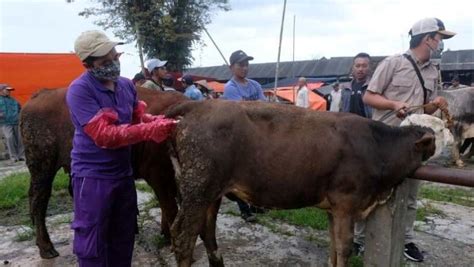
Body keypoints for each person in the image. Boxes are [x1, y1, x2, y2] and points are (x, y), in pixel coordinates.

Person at [67, 30, 177, 266]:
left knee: (123, 233)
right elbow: (104, 135)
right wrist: (148, 132)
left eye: (115, 57)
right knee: (92, 238)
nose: (113, 64)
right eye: (105, 62)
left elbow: (136, 118)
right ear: (88, 64)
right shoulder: (80, 90)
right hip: (93, 176)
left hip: (122, 173)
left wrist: (154, 121)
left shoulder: (126, 85)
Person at [361, 18, 454, 262]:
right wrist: (393, 104)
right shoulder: (393, 63)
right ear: (427, 39)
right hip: (385, 143)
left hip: (413, 146)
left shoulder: (434, 71)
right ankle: (360, 239)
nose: (441, 44)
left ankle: (405, 238)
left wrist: (436, 105)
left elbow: (427, 112)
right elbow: (369, 97)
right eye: (439, 38)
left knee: (411, 194)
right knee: (373, 190)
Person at [223, 50, 266, 222]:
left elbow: (264, 107)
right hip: (240, 135)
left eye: (247, 64)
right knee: (240, 174)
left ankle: (256, 204)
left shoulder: (255, 85)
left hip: (259, 134)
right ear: (231, 67)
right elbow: (242, 111)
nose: (245, 68)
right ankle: (244, 209)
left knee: (257, 171)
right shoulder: (230, 87)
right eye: (240, 64)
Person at [341, 53, 373, 118]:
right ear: (353, 67)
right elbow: (341, 109)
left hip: (368, 125)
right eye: (357, 66)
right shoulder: (346, 88)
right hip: (348, 125)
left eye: (364, 66)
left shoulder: (373, 87)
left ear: (369, 67)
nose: (360, 69)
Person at [0, 84, 24, 162]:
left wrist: (20, 116)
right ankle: (13, 156)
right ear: (1, 91)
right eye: (7, 90)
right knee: (9, 138)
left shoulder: (14, 100)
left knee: (19, 139)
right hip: (5, 123)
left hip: (16, 122)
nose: (9, 92)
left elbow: (21, 109)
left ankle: (21, 155)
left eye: (9, 90)